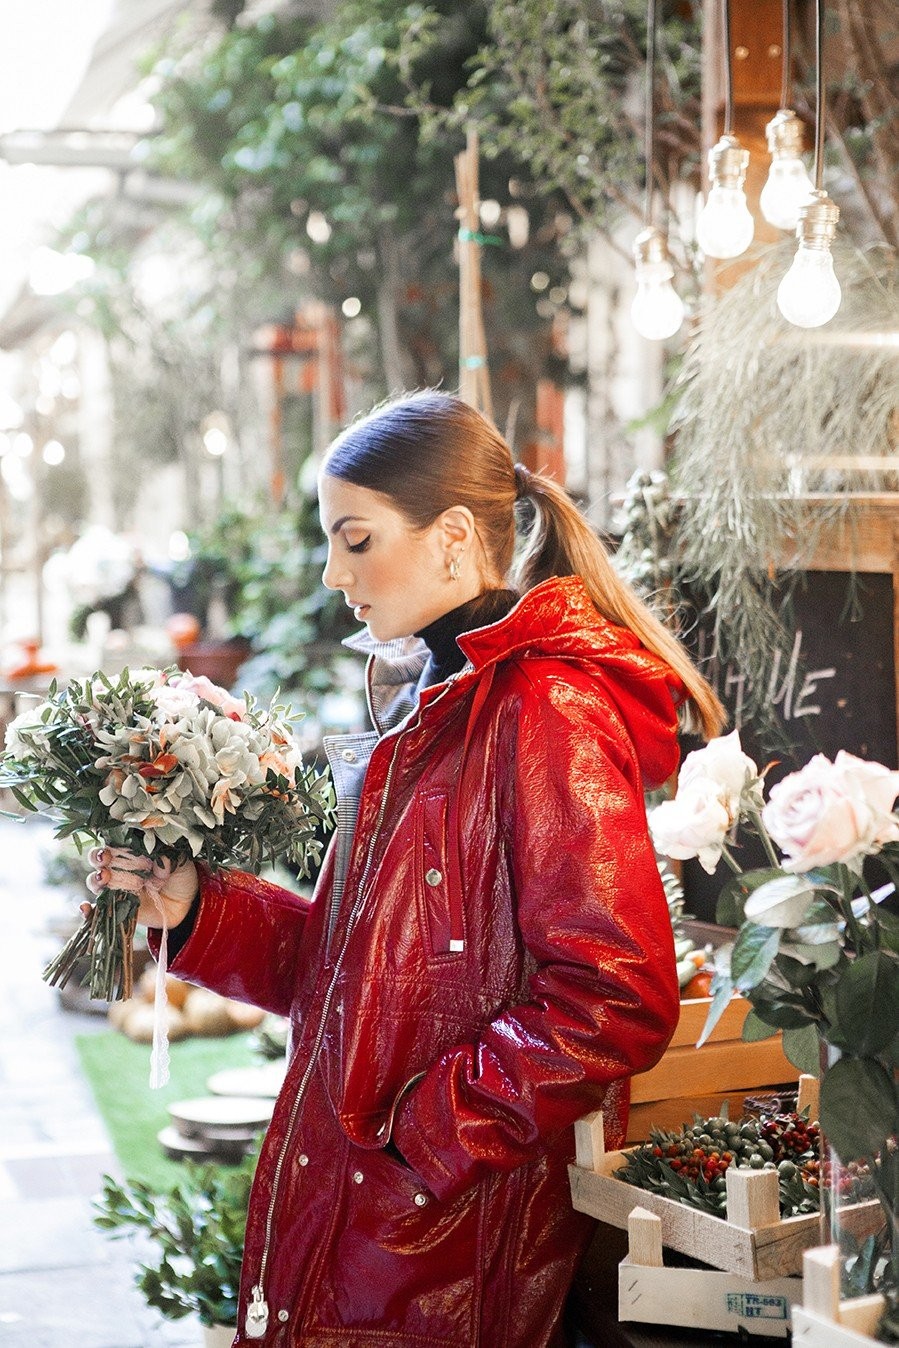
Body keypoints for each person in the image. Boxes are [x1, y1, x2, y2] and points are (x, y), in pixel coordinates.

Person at [88, 391, 724, 1348]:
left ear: (454, 536)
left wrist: (425, 1136)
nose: (334, 572)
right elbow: (355, 969)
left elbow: (614, 992)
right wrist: (197, 911)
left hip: (447, 1243)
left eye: (356, 539)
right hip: (381, 1220)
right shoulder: (437, 702)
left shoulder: (544, 710)